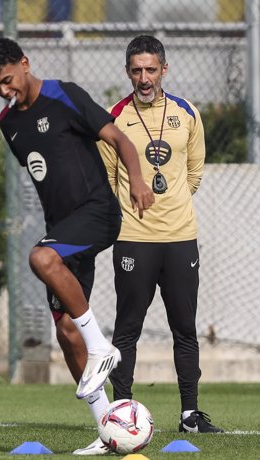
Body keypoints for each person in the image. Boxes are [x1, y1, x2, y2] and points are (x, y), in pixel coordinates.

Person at [0, 37, 155, 455]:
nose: (4, 91)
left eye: (6, 80)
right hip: (64, 230)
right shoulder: (9, 123)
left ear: (24, 63)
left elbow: (120, 140)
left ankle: (102, 347)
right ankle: (108, 430)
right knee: (65, 329)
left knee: (41, 257)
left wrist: (138, 180)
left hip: (98, 214)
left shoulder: (64, 94)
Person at [99, 35, 223, 434]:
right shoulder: (114, 117)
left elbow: (194, 172)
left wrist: (172, 206)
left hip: (181, 237)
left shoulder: (187, 113)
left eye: (151, 69)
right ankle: (120, 410)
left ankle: (190, 414)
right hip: (134, 238)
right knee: (127, 329)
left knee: (184, 328)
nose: (144, 77)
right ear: (127, 72)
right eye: (136, 70)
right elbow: (106, 178)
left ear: (164, 69)